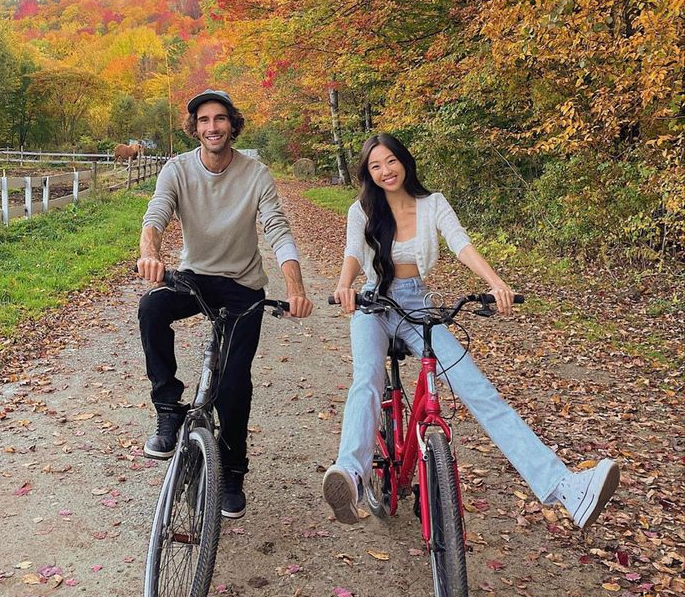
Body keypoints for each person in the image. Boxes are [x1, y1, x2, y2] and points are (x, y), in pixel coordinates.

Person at [323, 133, 620, 529]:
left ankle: (564, 486)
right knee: (367, 380)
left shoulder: (433, 204)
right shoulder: (361, 210)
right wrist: (344, 286)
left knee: (479, 390)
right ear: (367, 173)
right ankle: (352, 475)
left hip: (418, 305)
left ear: (404, 161)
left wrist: (496, 282)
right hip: (373, 303)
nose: (384, 171)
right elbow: (354, 254)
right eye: (375, 166)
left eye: (390, 161)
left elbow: (461, 243)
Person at [137, 88, 313, 518]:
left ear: (233, 124)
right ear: (194, 128)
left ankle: (232, 471)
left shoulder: (255, 174)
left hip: (242, 286)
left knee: (233, 385)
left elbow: (276, 227)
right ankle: (168, 409)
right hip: (195, 278)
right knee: (151, 308)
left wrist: (296, 286)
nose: (211, 127)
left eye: (219, 119)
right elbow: (156, 213)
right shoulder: (177, 169)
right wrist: (150, 253)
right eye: (203, 120)